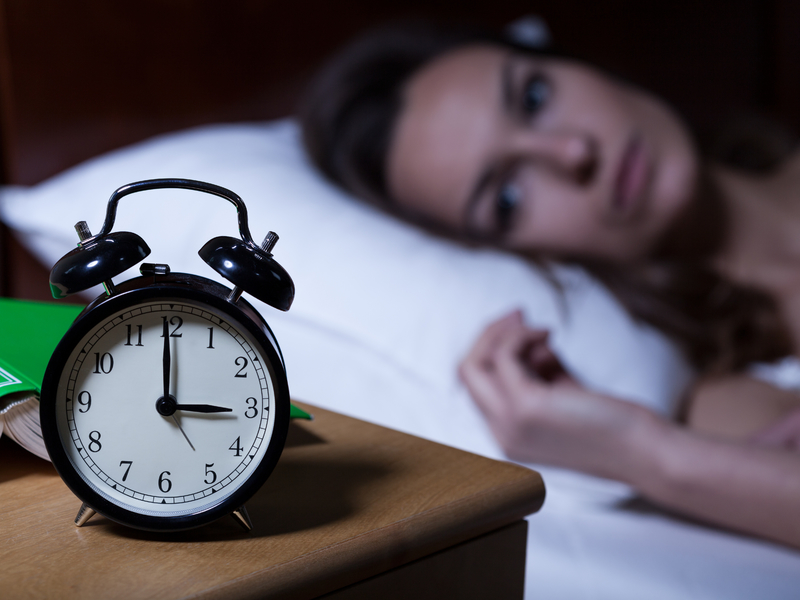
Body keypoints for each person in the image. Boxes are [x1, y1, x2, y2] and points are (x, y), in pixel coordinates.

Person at [299, 21, 800, 548]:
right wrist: (645, 454)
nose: (571, 152)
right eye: (508, 198)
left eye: (534, 96)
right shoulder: (729, 404)